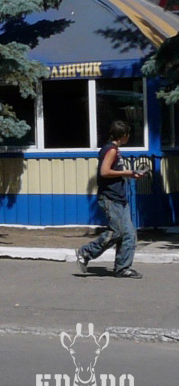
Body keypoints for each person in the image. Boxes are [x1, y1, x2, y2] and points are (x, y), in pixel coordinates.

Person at [76, 120, 145, 279]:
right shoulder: (111, 150)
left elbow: (113, 172)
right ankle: (85, 252)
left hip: (119, 198)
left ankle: (122, 268)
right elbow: (105, 172)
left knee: (129, 234)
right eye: (128, 134)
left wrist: (131, 174)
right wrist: (127, 173)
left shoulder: (115, 150)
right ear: (123, 136)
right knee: (117, 232)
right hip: (110, 198)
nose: (129, 137)